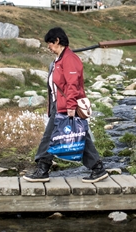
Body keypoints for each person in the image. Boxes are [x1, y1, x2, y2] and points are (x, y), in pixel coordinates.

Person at [24, 27, 109, 183]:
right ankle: (98, 168)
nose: (48, 47)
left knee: (51, 137)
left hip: (68, 105)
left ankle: (42, 169)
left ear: (57, 40)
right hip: (61, 105)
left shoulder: (69, 59)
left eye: (49, 43)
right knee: (78, 135)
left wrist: (70, 106)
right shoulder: (60, 59)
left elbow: (72, 84)